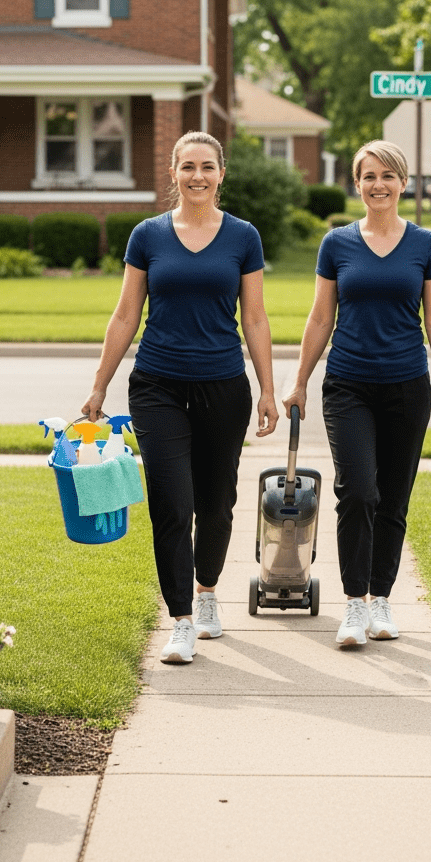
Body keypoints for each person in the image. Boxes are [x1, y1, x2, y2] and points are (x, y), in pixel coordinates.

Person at [80, 130, 278, 664]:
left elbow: (254, 317)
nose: (198, 176)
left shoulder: (243, 237)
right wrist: (100, 382)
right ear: (173, 173)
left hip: (223, 384)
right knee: (173, 503)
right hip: (157, 384)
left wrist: (268, 389)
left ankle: (208, 591)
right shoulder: (147, 236)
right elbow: (126, 314)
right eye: (187, 166)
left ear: (221, 173)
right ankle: (182, 620)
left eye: (207, 167)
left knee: (216, 504)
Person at [283, 140, 431, 648]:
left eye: (387, 176)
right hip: (349, 385)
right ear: (356, 184)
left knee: (393, 499)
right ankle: (354, 604)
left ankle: (381, 598)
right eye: (368, 176)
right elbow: (320, 317)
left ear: (403, 182)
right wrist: (299, 382)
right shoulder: (337, 243)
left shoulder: (425, 244)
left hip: (407, 385)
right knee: (358, 491)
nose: (377, 185)